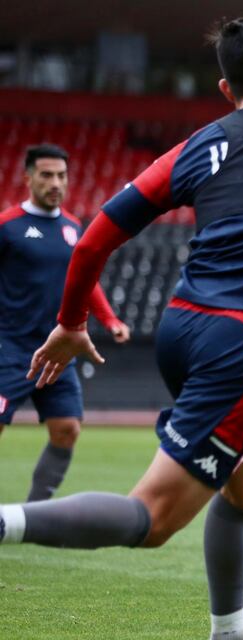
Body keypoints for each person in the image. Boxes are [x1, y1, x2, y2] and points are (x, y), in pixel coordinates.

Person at [1, 11, 243, 640]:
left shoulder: (198, 145)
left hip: (183, 329)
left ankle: (232, 629)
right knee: (151, 520)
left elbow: (93, 238)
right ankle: (7, 521)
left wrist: (72, 322)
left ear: (225, 89)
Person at [0, 144, 130, 502]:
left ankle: (33, 513)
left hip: (57, 349)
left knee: (67, 430)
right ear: (28, 178)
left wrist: (109, 318)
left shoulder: (73, 228)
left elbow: (84, 281)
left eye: (61, 175)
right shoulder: (7, 227)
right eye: (46, 175)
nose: (55, 183)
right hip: (9, 348)